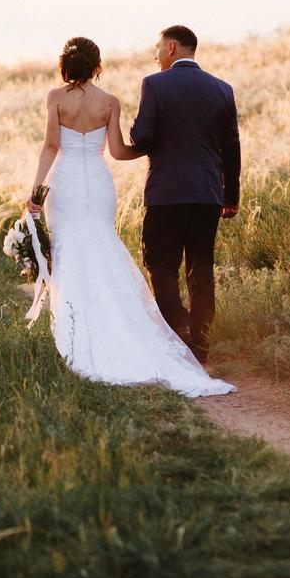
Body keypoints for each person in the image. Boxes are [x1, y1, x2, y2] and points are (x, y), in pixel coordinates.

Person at [25, 36, 234, 397]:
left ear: (65, 65)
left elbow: (51, 146)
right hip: (100, 184)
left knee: (69, 251)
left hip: (66, 183)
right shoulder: (110, 102)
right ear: (97, 67)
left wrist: (36, 193)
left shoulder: (55, 98)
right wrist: (157, 145)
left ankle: (75, 328)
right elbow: (119, 152)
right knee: (102, 246)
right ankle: (132, 329)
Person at [122, 25, 241, 363]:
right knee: (200, 266)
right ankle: (201, 342)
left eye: (158, 48)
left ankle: (179, 332)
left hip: (167, 192)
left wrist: (138, 129)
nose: (156, 55)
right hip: (207, 192)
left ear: (171, 48)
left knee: (160, 263)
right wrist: (230, 195)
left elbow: (142, 138)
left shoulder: (154, 84)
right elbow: (231, 147)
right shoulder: (222, 88)